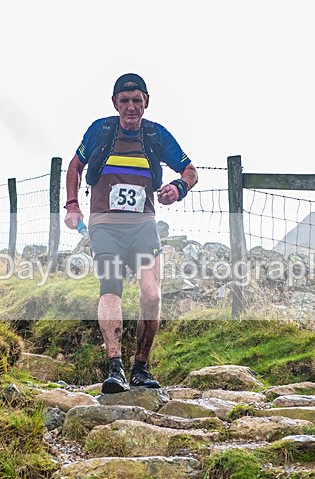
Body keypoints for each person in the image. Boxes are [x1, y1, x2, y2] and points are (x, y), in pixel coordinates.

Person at [63, 73, 198, 393]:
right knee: (111, 288)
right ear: (114, 103)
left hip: (142, 226)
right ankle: (115, 367)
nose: (131, 107)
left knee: (151, 294)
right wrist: (72, 206)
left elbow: (190, 172)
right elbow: (74, 167)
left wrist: (178, 188)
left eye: (137, 100)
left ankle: (141, 366)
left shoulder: (156, 135)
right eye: (124, 101)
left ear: (146, 102)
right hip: (105, 226)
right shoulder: (100, 130)